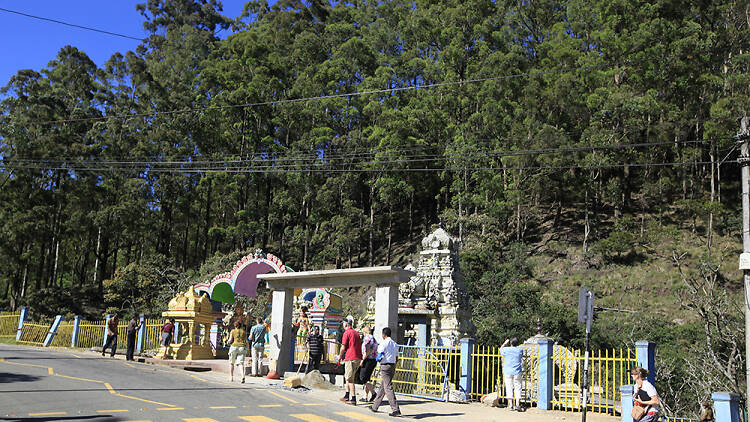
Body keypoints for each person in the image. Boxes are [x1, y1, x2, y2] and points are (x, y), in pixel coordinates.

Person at [369, 326, 401, 417]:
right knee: (383, 386)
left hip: (385, 366)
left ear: (383, 334)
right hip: (392, 365)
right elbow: (397, 357)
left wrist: (378, 360)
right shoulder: (395, 344)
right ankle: (375, 406)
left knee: (388, 387)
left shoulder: (383, 343)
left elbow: (379, 355)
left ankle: (395, 409)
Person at [338, 318, 362, 405]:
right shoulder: (356, 333)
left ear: (346, 324)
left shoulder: (347, 333)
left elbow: (343, 347)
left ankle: (353, 398)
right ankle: (346, 395)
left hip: (350, 358)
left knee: (350, 379)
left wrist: (339, 356)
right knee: (348, 376)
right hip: (358, 358)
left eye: (343, 323)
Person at [500, 337, 524, 411]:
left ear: (510, 343)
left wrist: (505, 343)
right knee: (518, 387)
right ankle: (517, 404)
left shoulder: (506, 350)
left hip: (508, 371)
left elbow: (500, 349)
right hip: (517, 371)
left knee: (509, 387)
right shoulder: (520, 350)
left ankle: (510, 405)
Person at [358, 326, 378, 403]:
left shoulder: (367, 338)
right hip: (373, 360)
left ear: (365, 332)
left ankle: (373, 393)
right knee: (367, 378)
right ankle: (365, 396)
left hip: (368, 359)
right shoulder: (373, 338)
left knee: (363, 378)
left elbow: (367, 350)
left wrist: (362, 360)